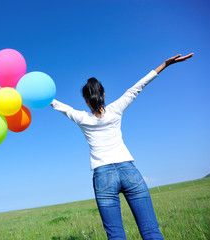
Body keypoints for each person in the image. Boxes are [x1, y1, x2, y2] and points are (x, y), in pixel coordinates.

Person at [50, 53, 194, 240]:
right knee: (151, 231)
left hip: (103, 176)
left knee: (116, 236)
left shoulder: (82, 118)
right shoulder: (116, 109)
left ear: (86, 100)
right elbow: (138, 87)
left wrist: (32, 96)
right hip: (129, 171)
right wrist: (165, 64)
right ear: (103, 95)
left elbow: (58, 105)